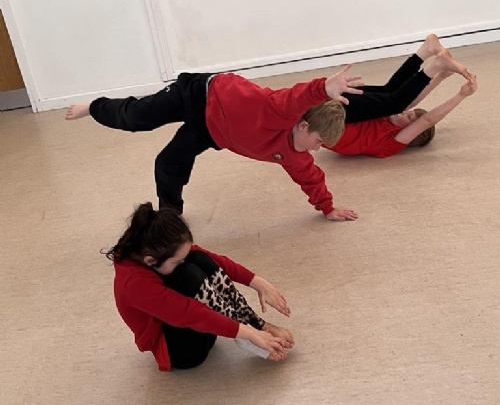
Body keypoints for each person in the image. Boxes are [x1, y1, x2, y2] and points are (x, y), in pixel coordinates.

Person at [66, 67, 363, 221]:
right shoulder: (277, 109)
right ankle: (93, 106)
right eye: (318, 141)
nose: (317, 149)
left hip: (211, 131)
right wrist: (324, 87)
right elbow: (297, 96)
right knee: (137, 118)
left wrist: (327, 208)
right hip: (200, 95)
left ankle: (170, 214)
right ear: (303, 125)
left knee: (168, 162)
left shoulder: (295, 155)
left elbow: (311, 178)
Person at [105, 202, 295, 371]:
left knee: (197, 258)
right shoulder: (134, 284)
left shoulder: (149, 250)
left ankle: (254, 324)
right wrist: (250, 334)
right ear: (150, 260)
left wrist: (258, 283)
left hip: (201, 329)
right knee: (187, 274)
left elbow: (214, 259)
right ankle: (247, 333)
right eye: (176, 260)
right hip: (181, 353)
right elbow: (189, 313)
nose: (182, 261)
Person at [324, 36, 478, 158]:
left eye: (409, 117)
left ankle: (433, 60)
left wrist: (461, 95)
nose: (404, 112)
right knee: (394, 97)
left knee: (395, 101)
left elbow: (427, 121)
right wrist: (440, 77)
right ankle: (427, 51)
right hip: (336, 110)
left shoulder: (390, 143)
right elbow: (411, 101)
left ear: (410, 131)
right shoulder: (388, 119)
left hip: (331, 118)